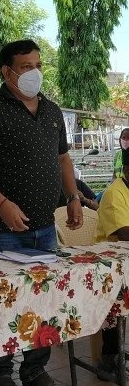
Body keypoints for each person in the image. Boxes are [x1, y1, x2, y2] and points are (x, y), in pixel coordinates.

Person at [0, 40, 83, 386]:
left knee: (42, 301)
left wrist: (73, 196)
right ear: (7, 72)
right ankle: (0, 374)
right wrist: (2, 203)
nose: (35, 72)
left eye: (38, 65)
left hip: (44, 227)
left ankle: (34, 370)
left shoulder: (52, 111)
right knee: (3, 301)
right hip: (0, 228)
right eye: (26, 66)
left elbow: (62, 158)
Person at [95, 148, 129, 379]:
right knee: (115, 301)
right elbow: (125, 234)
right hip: (109, 265)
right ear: (127, 169)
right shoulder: (115, 193)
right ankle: (109, 358)